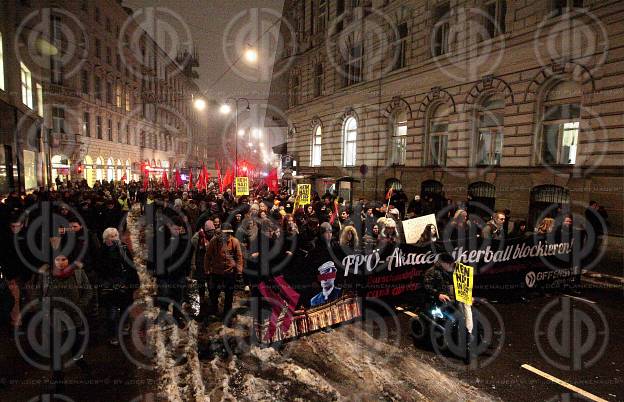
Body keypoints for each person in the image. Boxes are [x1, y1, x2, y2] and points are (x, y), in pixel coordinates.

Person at [95, 228, 138, 345]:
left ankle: (125, 325)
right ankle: (113, 335)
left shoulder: (123, 248)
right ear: (105, 239)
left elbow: (131, 266)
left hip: (124, 284)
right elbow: (99, 270)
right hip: (110, 285)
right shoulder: (101, 252)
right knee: (111, 313)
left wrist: (132, 283)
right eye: (110, 236)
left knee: (125, 309)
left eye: (115, 235)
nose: (113, 238)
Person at [204, 223, 243, 321]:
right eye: (225, 233)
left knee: (229, 295)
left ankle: (227, 314)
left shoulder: (235, 242)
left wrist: (239, 272)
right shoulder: (214, 241)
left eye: (229, 233)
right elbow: (207, 256)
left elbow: (239, 257)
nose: (227, 235)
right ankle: (214, 311)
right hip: (216, 272)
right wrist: (207, 270)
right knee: (214, 293)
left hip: (229, 272)